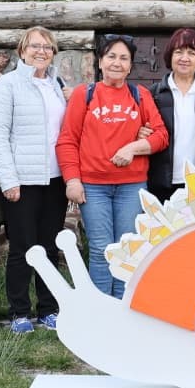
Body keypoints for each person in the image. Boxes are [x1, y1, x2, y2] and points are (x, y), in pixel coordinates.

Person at [57, 33, 169, 299]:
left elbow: (161, 135)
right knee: (100, 248)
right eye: (111, 57)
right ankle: (101, 310)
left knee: (127, 248)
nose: (117, 63)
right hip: (93, 187)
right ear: (100, 62)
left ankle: (122, 307)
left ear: (130, 65)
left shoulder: (139, 94)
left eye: (123, 58)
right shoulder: (85, 94)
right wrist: (72, 180)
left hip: (131, 186)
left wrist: (133, 148)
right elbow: (67, 140)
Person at [0, 26, 68, 334]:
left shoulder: (56, 85)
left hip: (55, 179)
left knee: (49, 247)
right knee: (22, 247)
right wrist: (8, 180)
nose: (41, 51)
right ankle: (19, 311)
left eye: (47, 47)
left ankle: (48, 309)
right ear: (22, 51)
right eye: (35, 46)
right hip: (21, 180)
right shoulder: (7, 85)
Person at [147, 27, 195, 200]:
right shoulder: (154, 93)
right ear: (170, 56)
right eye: (178, 52)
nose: (184, 58)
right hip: (162, 182)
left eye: (192, 53)